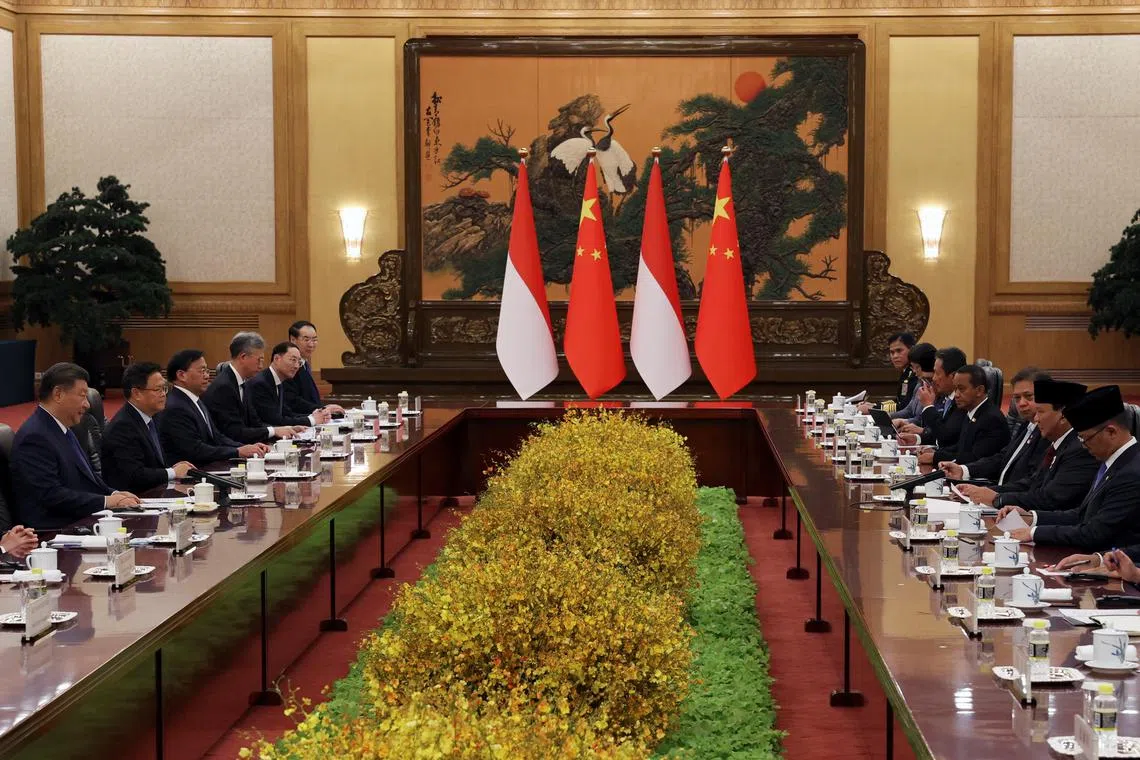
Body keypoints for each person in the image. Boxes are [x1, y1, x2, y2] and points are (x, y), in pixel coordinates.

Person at [996, 385, 1140, 551]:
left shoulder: (1131, 473)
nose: (1084, 446)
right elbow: (1082, 515)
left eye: (1086, 439)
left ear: (1111, 432)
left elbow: (1094, 532)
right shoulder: (1111, 461)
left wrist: (1034, 533)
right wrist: (1031, 517)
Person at [10, 363, 139, 529]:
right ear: (58, 394)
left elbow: (86, 479)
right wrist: (107, 502)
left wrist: (114, 493)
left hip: (78, 519)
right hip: (54, 531)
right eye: (82, 395)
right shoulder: (35, 436)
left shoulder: (63, 429)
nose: (87, 404)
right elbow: (51, 495)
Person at [959, 379, 1097, 512]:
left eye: (1041, 412)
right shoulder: (1057, 444)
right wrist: (986, 491)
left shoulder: (1079, 449)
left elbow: (1051, 498)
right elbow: (1032, 483)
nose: (1036, 419)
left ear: (1063, 416)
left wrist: (998, 498)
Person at [939, 367, 1051, 486]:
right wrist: (963, 470)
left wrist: (993, 494)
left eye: (1029, 396)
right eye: (1017, 398)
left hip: (1008, 498)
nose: (1021, 403)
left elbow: (1030, 483)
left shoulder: (1047, 435)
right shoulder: (1027, 424)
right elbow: (1002, 458)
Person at [159, 350, 270, 466]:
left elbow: (216, 437)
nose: (207, 375)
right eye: (202, 371)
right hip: (190, 475)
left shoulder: (195, 400)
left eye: (206, 370)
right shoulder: (176, 407)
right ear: (181, 375)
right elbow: (195, 449)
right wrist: (237, 452)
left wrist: (246, 447)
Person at [101, 362, 195, 493]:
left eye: (164, 389)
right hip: (132, 501)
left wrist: (172, 467)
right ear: (136, 393)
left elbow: (153, 464)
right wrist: (172, 472)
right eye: (158, 390)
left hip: (153, 493)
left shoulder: (151, 417)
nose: (163, 394)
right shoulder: (123, 426)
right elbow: (134, 475)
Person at [204, 332, 302, 444]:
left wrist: (285, 429)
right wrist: (273, 431)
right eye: (259, 360)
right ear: (243, 357)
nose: (261, 366)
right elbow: (233, 432)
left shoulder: (243, 382)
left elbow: (255, 423)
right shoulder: (224, 387)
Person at [925, 364, 1009, 465]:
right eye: (955, 389)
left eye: (961, 389)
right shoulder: (971, 411)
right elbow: (960, 447)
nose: (956, 395)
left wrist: (935, 457)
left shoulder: (992, 419)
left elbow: (974, 457)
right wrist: (935, 452)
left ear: (979, 390)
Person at [898, 347, 968, 462]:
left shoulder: (963, 403)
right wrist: (917, 439)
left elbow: (946, 437)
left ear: (953, 376)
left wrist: (928, 406)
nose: (934, 379)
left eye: (937, 373)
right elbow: (941, 431)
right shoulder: (948, 397)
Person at [247, 343, 333, 428]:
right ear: (277, 359)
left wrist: (315, 415)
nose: (296, 366)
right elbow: (274, 420)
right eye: (293, 360)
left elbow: (287, 413)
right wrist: (312, 420)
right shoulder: (261, 383)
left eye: (299, 362)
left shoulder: (279, 382)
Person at [284, 321, 344, 417]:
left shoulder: (305, 364)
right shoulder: (288, 366)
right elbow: (292, 401)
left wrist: (324, 408)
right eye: (306, 340)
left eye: (314, 340)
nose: (311, 345)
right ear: (293, 340)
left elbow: (309, 398)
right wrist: (322, 409)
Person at [889, 342, 936, 423]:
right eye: (912, 367)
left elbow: (923, 421)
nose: (914, 371)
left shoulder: (936, 387)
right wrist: (888, 416)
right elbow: (909, 410)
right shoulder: (919, 384)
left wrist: (905, 422)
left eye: (917, 367)